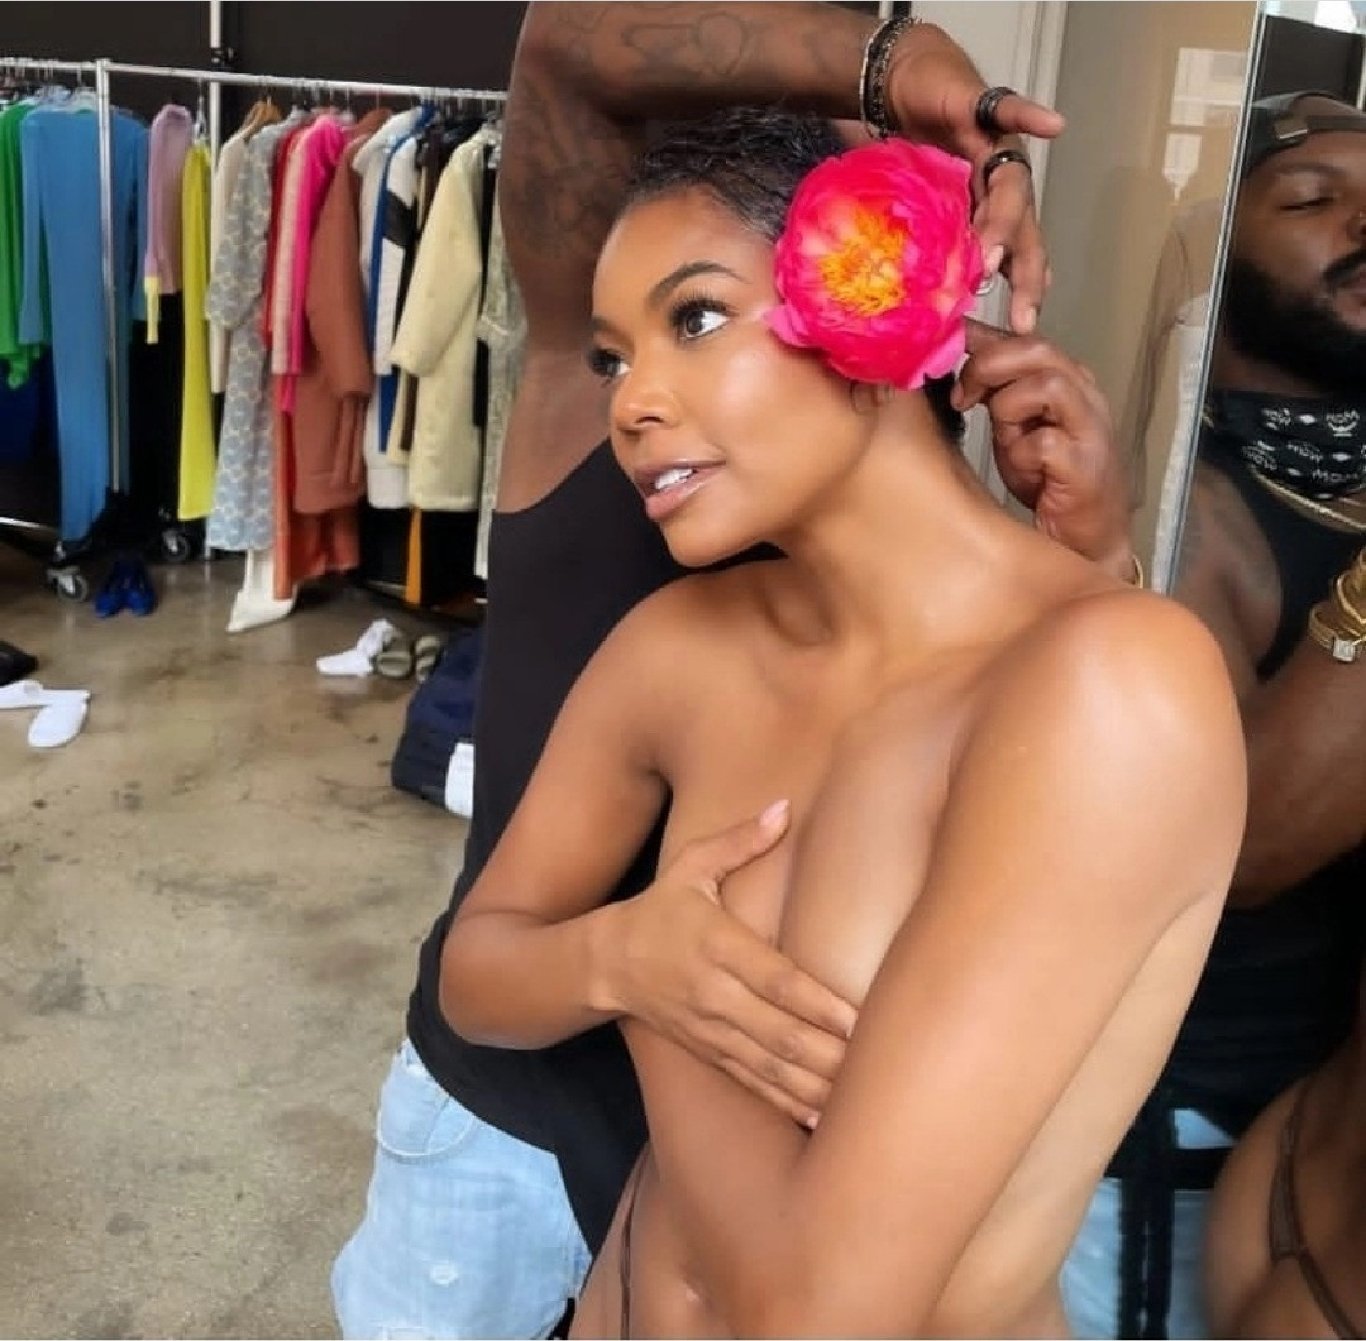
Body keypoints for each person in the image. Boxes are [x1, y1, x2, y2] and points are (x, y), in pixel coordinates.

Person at [332, 7, 1140, 1338]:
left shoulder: (1066, 670)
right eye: (617, 356)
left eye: (698, 319)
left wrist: (1093, 563)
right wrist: (628, 961)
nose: (629, 399)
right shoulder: (637, 520)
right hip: (508, 1127)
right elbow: (564, 48)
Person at [1061, 91, 1366, 1339]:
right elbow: (1247, 846)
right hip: (1187, 1137)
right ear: (1218, 264)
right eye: (1313, 199)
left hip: (1329, 1133)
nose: (1363, 223)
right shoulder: (1193, 516)